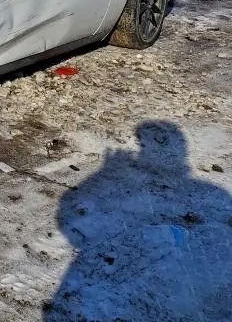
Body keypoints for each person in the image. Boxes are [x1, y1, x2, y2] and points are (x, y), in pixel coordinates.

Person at [45, 121, 232, 321]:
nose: (145, 149)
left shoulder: (212, 195)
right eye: (143, 144)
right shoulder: (214, 193)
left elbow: (68, 218)